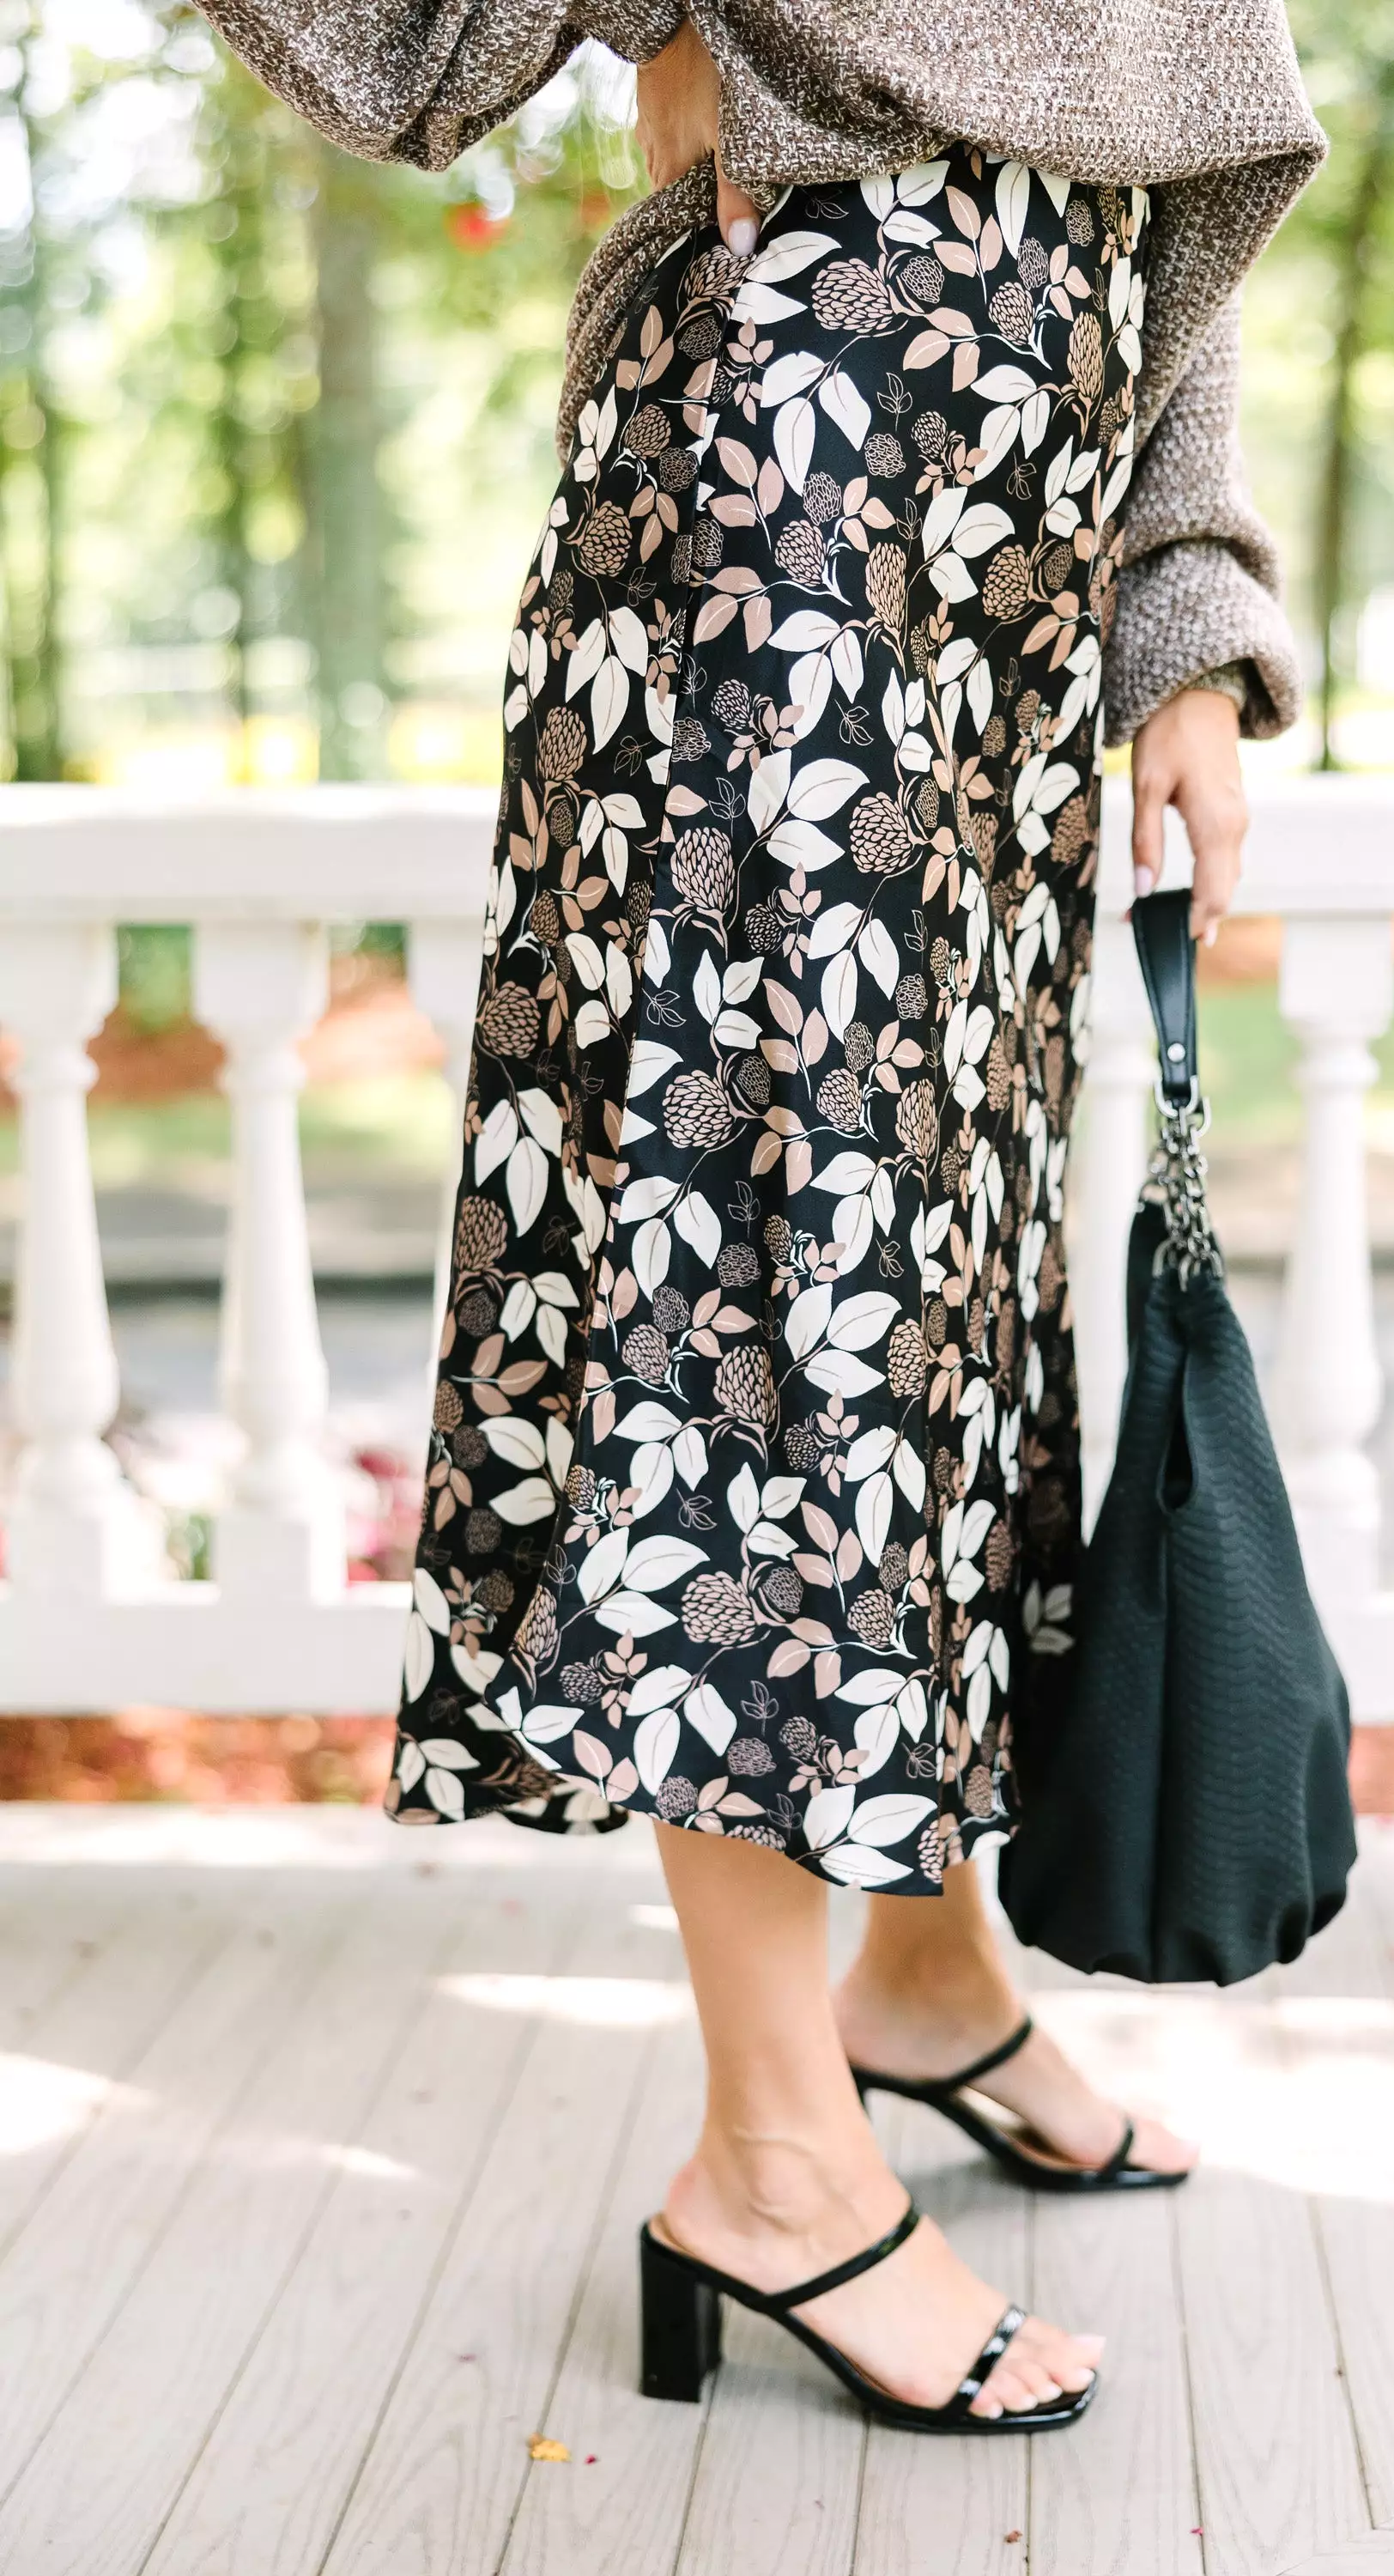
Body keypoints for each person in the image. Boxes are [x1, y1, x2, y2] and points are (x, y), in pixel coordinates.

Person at [197, 0, 1324, 2431]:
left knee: (919, 1296)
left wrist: (1186, 615)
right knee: (765, 1294)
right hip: (771, 511)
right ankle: (779, 2165)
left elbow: (1190, 194)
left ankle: (917, 1976)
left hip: (988, 590)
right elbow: (413, 51)